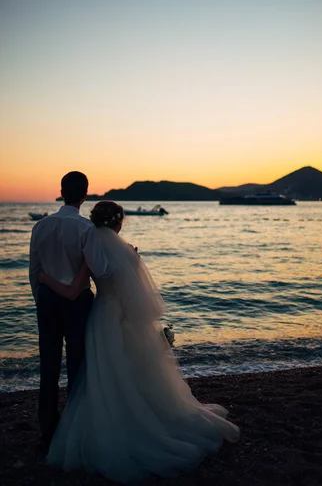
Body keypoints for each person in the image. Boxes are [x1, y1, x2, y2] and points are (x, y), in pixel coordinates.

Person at [40, 200, 239, 483]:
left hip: (103, 316)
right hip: (128, 318)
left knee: (104, 374)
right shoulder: (128, 251)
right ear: (118, 222)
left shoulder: (90, 243)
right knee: (135, 370)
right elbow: (137, 292)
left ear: (95, 220)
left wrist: (45, 278)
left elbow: (74, 291)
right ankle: (145, 417)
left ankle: (112, 425)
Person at [29, 172, 111, 452]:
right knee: (77, 364)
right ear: (85, 194)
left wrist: (41, 300)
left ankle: (48, 430)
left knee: (49, 366)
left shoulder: (41, 226)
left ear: (61, 191)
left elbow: (35, 270)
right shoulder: (85, 229)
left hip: (48, 300)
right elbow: (99, 269)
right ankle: (75, 428)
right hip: (78, 303)